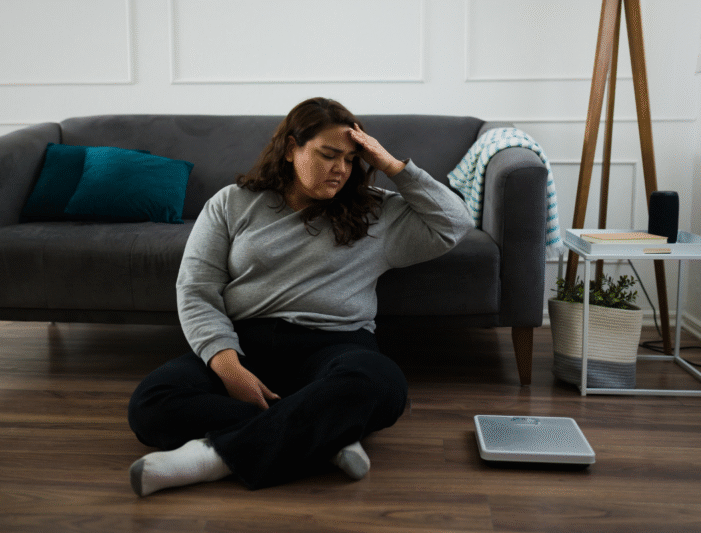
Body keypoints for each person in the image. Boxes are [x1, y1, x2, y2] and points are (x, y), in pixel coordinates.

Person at [127, 97, 474, 496]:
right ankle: (325, 433)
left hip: (335, 346)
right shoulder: (232, 202)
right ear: (292, 148)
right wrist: (228, 367)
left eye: (350, 159)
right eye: (328, 155)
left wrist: (393, 166)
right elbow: (196, 288)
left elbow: (455, 223)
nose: (341, 169)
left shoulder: (379, 212)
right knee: (150, 404)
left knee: (382, 383)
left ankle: (210, 458)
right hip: (245, 344)